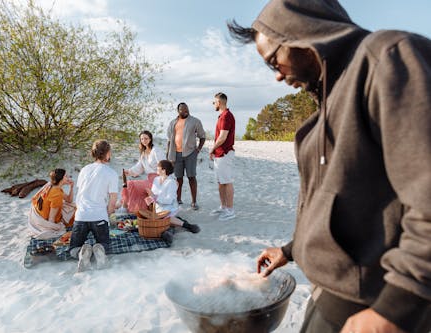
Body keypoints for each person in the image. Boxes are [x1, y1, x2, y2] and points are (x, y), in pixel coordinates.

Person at [227, 1, 431, 332]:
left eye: (272, 61)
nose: (277, 75)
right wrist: (290, 250)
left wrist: (399, 305)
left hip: (373, 297)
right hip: (332, 288)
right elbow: (349, 199)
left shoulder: (386, 58)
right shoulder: (331, 101)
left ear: (300, 32)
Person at [69, 140, 118, 272]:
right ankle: (99, 249)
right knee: (105, 245)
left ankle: (81, 252)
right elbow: (112, 201)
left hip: (81, 216)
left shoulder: (85, 170)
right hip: (99, 217)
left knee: (73, 248)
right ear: (107, 154)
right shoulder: (111, 173)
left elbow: (80, 193)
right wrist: (108, 213)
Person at [145, 159, 200, 244]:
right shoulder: (156, 179)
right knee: (154, 219)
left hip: (170, 207)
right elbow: (153, 193)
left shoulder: (172, 182)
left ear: (163, 170)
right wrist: (151, 198)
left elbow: (169, 200)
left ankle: (186, 225)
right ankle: (171, 230)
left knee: (165, 218)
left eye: (158, 168)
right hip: (158, 208)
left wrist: (155, 197)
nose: (156, 169)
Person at [166, 102, 206, 210]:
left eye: (186, 109)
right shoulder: (173, 123)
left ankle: (194, 202)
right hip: (176, 154)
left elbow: (202, 136)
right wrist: (168, 154)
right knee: (178, 178)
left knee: (191, 177)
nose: (185, 111)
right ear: (178, 111)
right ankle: (178, 200)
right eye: (182, 110)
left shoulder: (195, 121)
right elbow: (169, 140)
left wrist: (198, 149)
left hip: (190, 153)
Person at [119, 130, 164, 213]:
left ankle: (125, 207)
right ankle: (129, 206)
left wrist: (164, 180)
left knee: (131, 184)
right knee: (130, 184)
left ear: (150, 139)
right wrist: (129, 171)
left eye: (146, 138)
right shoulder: (143, 153)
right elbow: (139, 167)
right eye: (142, 139)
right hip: (149, 179)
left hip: (158, 180)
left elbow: (164, 165)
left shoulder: (156, 150)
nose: (144, 141)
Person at [209, 92, 236, 221]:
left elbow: (223, 137)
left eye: (214, 102)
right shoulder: (222, 116)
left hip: (225, 153)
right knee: (221, 182)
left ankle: (230, 210)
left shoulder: (226, 116)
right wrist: (215, 151)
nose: (213, 104)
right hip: (219, 154)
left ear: (219, 102)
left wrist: (212, 148)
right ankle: (223, 207)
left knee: (227, 181)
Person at [28, 168, 75, 239]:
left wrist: (71, 187)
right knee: (75, 213)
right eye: (66, 176)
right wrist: (52, 228)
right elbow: (51, 218)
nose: (68, 177)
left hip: (40, 212)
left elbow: (69, 200)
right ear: (61, 179)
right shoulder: (57, 194)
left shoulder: (52, 185)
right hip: (44, 218)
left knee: (70, 205)